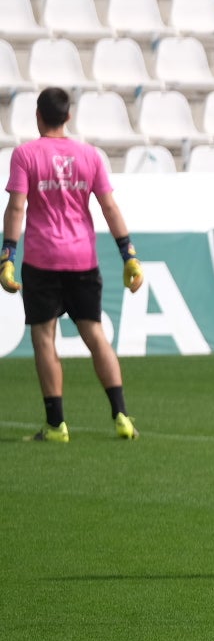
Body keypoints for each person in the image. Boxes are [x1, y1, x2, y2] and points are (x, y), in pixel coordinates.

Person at [0, 87, 143, 443]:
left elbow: (17, 207)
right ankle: (122, 415)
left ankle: (56, 424)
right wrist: (129, 254)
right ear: (68, 117)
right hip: (82, 257)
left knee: (44, 338)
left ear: (37, 116)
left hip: (43, 259)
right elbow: (109, 207)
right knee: (95, 333)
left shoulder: (25, 155)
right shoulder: (89, 155)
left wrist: (7, 257)